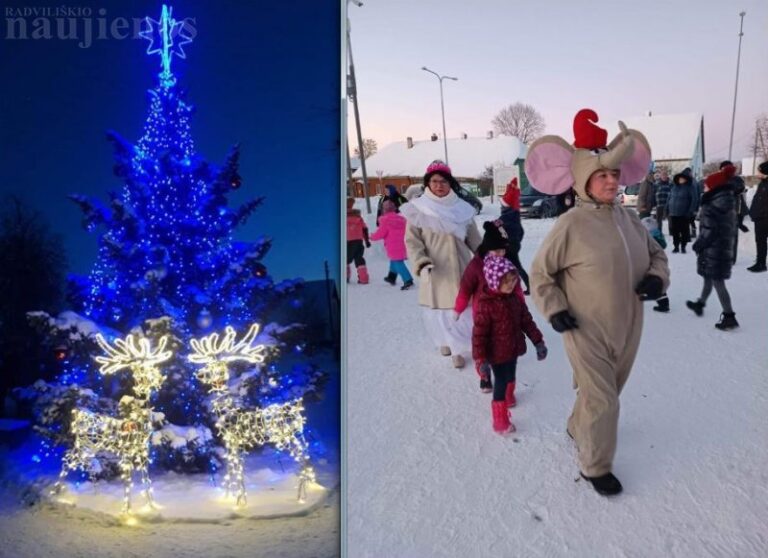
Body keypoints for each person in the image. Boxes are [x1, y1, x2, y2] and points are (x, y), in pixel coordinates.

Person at [525, 108, 670, 496]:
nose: (610, 182)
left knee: (604, 394)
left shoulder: (629, 220)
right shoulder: (570, 225)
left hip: (628, 325)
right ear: (583, 182)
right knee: (604, 401)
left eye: (614, 175)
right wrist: (554, 308)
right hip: (583, 325)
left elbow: (658, 255)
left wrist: (657, 278)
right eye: (602, 175)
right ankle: (595, 465)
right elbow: (540, 274)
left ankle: (577, 425)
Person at [401, 161, 482, 369]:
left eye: (443, 181)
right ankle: (448, 344)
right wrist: (421, 261)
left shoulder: (463, 210)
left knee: (462, 309)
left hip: (463, 267)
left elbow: (475, 240)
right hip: (435, 269)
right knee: (441, 312)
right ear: (428, 184)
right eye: (435, 181)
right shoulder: (418, 209)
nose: (439, 185)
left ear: (450, 184)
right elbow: (412, 241)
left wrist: (488, 258)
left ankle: (458, 347)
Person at [472, 255, 547, 435]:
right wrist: (481, 359)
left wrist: (538, 341)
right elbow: (479, 335)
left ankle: (509, 395)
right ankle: (500, 420)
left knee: (511, 373)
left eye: (513, 281)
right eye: (507, 282)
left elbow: (527, 321)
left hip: (512, 348)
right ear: (494, 281)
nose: (512, 286)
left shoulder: (515, 300)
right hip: (495, 354)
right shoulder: (485, 305)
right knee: (501, 380)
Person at [454, 221, 523, 392]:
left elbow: (516, 286)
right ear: (487, 248)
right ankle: (484, 374)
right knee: (482, 343)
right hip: (483, 313)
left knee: (500, 345)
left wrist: (521, 306)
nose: (501, 254)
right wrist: (458, 308)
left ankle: (502, 372)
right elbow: (465, 288)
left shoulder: (506, 264)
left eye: (503, 250)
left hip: (504, 312)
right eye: (497, 250)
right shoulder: (477, 265)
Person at [686, 164, 740, 330]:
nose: (704, 186)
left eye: (707, 184)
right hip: (721, 247)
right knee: (708, 278)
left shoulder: (712, 206)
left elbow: (709, 232)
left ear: (714, 187)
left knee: (717, 282)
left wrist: (698, 245)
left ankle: (729, 316)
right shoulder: (726, 202)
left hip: (714, 249)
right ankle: (700, 304)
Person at [497, 178, 531, 294]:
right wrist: (517, 241)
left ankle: (508, 286)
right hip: (513, 245)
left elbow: (498, 230)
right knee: (516, 267)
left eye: (502, 206)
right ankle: (526, 285)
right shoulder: (514, 217)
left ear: (506, 207)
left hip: (507, 247)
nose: (501, 208)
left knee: (507, 267)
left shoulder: (504, 218)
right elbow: (521, 231)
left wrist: (505, 241)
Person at [370, 200, 414, 290]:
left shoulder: (385, 220)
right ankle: (391, 277)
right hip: (403, 243)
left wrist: (372, 237)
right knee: (394, 260)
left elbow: (381, 233)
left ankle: (408, 279)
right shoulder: (402, 219)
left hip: (392, 244)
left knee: (398, 262)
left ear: (384, 210)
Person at [641, 216, 670, 312]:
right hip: (658, 264)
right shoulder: (658, 234)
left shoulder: (647, 237)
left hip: (650, 262)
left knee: (652, 280)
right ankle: (663, 302)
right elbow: (664, 245)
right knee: (657, 280)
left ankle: (662, 303)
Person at [666, 172, 698, 253]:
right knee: (675, 231)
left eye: (683, 178)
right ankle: (676, 246)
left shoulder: (690, 187)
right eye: (679, 178)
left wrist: (690, 211)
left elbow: (694, 200)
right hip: (673, 213)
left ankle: (683, 246)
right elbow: (669, 198)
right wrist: (667, 208)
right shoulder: (674, 187)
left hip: (684, 213)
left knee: (684, 231)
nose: (681, 180)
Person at [747, 160, 768, 272]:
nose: (758, 174)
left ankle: (761, 263)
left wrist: (761, 214)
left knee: (761, 241)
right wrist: (753, 213)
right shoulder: (763, 183)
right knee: (760, 242)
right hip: (759, 218)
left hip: (764, 219)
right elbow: (757, 200)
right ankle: (760, 263)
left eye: (760, 171)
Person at [346, 197, 370, 284]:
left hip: (347, 241)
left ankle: (345, 277)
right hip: (358, 241)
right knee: (359, 258)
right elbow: (364, 229)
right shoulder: (358, 216)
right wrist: (366, 241)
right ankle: (364, 279)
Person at [681, 167, 701, 238]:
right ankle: (693, 232)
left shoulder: (691, 182)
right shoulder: (694, 181)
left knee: (689, 219)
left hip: (689, 205)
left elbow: (695, 195)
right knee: (691, 220)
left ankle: (689, 233)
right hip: (693, 204)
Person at [654, 169, 672, 234]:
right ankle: (659, 231)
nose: (664, 176)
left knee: (670, 219)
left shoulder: (670, 184)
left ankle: (671, 232)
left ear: (667, 176)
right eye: (663, 175)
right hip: (659, 204)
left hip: (668, 205)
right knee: (659, 220)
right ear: (660, 176)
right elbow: (653, 193)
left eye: (665, 175)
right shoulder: (656, 184)